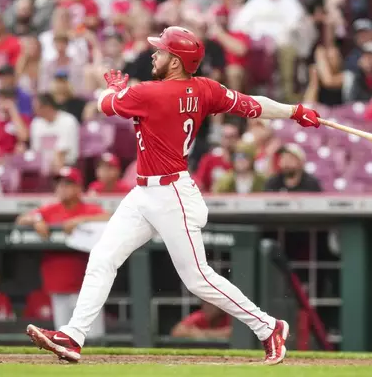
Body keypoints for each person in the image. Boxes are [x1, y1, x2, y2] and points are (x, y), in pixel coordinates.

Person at [25, 26, 321, 365]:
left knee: (198, 279)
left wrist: (116, 89)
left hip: (171, 195)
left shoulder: (151, 93)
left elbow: (105, 104)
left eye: (161, 51)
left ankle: (268, 327)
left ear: (177, 61)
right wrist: (294, 111)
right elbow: (254, 106)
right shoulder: (205, 88)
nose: (154, 55)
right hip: (144, 193)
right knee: (103, 257)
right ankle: (73, 336)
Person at [17, 167, 109, 339]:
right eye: (59, 184)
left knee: (93, 338)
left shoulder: (89, 209)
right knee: (64, 337)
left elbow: (110, 218)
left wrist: (81, 220)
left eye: (68, 184)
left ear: (78, 188)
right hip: (57, 282)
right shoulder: (50, 210)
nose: (63, 188)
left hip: (86, 286)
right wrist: (36, 220)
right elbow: (21, 219)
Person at [30, 93, 79, 174]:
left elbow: (62, 152)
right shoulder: (36, 123)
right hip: (43, 166)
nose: (34, 111)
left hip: (66, 165)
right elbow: (36, 150)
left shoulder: (68, 121)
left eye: (37, 108)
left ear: (47, 107)